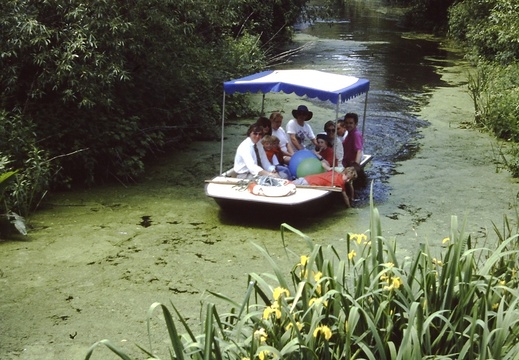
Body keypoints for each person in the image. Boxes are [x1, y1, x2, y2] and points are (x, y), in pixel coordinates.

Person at [293, 164, 359, 207]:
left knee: (291, 183)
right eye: (347, 178)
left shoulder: (336, 173)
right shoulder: (340, 182)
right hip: (308, 183)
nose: (347, 181)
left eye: (349, 180)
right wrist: (349, 207)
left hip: (308, 178)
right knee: (289, 185)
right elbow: (345, 197)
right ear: (344, 173)